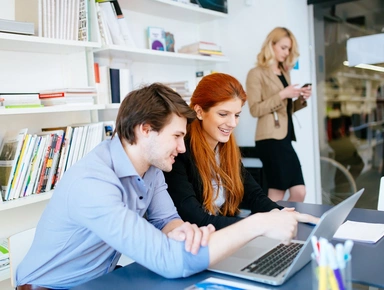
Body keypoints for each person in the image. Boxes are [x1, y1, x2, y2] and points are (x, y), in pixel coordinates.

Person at [16, 83, 317, 290]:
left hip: (100, 280)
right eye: (175, 137)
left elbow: (165, 220)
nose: (182, 148)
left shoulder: (151, 169)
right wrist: (260, 224)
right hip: (52, 286)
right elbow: (170, 261)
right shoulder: (93, 183)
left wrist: (180, 230)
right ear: (145, 129)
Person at [164, 73, 292, 230]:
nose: (232, 123)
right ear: (199, 111)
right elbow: (197, 219)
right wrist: (258, 225)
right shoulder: (179, 152)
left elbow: (254, 195)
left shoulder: (224, 148)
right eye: (223, 114)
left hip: (222, 237)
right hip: (195, 243)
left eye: (237, 115)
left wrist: (281, 213)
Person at [246, 27, 312, 202]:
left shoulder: (284, 72)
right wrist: (283, 94)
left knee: (299, 192)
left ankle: (285, 224)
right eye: (283, 47)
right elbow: (255, 109)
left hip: (285, 137)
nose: (287, 52)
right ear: (271, 45)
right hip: (269, 139)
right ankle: (275, 226)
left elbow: (285, 110)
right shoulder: (256, 73)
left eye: (289, 49)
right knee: (277, 193)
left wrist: (301, 98)